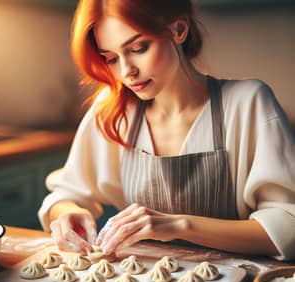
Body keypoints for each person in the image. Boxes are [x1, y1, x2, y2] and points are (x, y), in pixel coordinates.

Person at [38, 0, 295, 261]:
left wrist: (177, 225)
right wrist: (67, 212)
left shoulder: (247, 102)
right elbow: (66, 194)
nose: (127, 72)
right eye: (112, 59)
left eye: (138, 48)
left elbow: (288, 226)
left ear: (179, 30)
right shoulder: (114, 110)